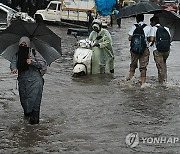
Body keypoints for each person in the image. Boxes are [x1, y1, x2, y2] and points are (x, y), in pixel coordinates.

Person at [10, 36, 47, 125]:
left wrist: (32, 62)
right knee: (24, 102)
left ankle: (34, 126)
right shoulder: (17, 53)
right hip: (23, 82)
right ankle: (27, 126)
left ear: (28, 44)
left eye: (25, 44)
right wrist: (13, 68)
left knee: (34, 103)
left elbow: (43, 64)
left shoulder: (35, 53)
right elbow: (13, 62)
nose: (23, 46)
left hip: (35, 82)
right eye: (21, 44)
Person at [127, 14, 151, 88]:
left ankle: (131, 82)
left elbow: (129, 38)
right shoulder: (148, 27)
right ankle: (143, 83)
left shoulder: (133, 27)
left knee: (133, 65)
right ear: (143, 19)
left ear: (136, 19)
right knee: (143, 67)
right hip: (144, 49)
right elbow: (150, 39)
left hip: (134, 49)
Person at [149, 16, 171, 84]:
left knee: (160, 67)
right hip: (167, 50)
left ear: (154, 22)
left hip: (158, 50)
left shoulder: (153, 28)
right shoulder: (166, 28)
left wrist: (149, 40)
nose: (150, 24)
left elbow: (152, 39)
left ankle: (161, 83)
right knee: (164, 64)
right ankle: (165, 79)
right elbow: (170, 39)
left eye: (151, 22)